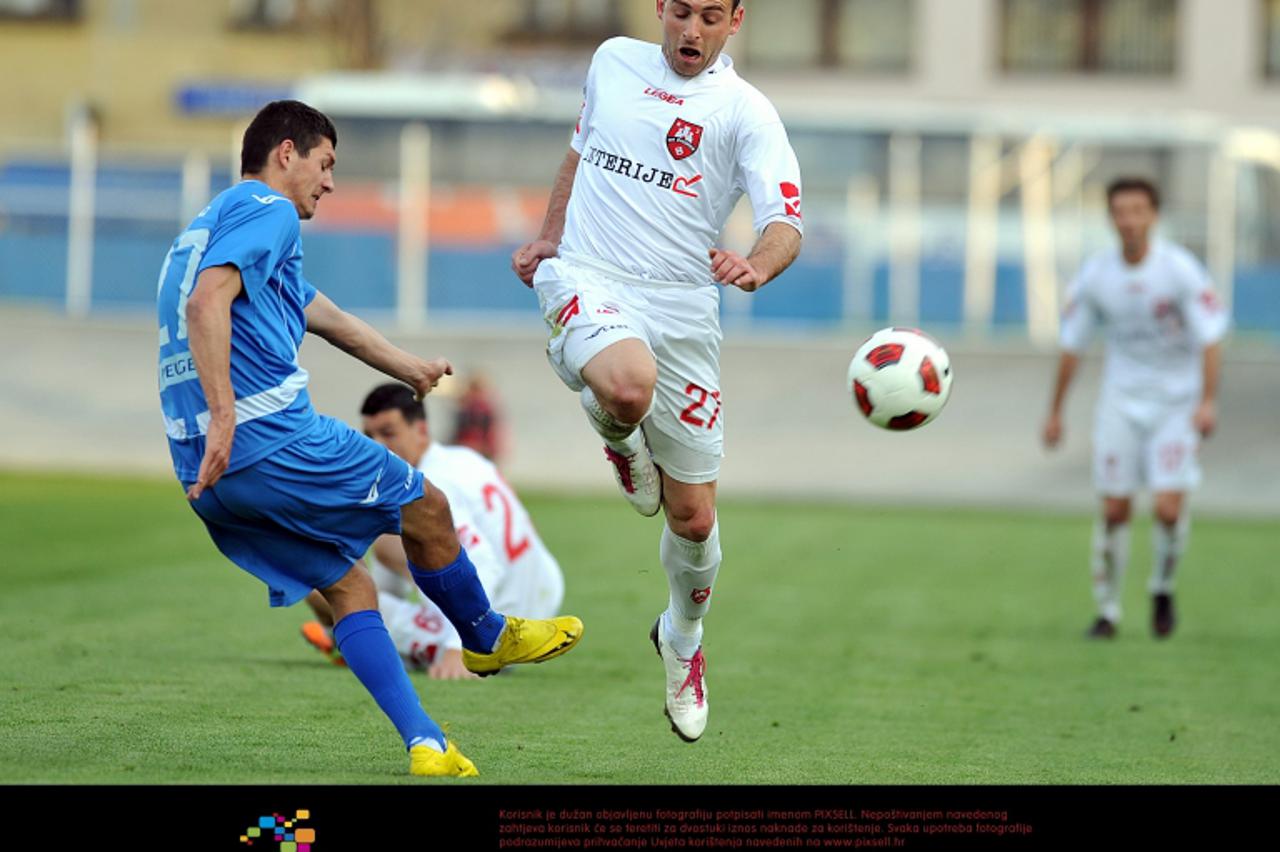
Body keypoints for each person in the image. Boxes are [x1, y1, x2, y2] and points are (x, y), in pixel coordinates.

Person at [156, 100, 582, 777]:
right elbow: (207, 303)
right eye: (326, 165)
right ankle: (485, 635)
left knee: (350, 589)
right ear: (286, 153)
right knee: (429, 505)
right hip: (268, 440)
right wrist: (226, 414)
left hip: (205, 476)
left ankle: (426, 743)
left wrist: (409, 368)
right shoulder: (265, 212)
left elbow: (328, 318)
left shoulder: (201, 231)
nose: (330, 182)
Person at [511, 0, 803, 742]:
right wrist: (550, 239)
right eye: (680, 13)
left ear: (736, 19)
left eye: (710, 16)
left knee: (694, 518)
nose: (691, 31)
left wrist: (756, 264)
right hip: (591, 275)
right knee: (626, 385)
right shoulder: (612, 59)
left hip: (684, 308)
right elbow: (581, 151)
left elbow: (785, 223)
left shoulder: (747, 113)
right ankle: (616, 422)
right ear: (660, 11)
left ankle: (682, 638)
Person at [1043, 177, 1227, 640]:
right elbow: (1073, 344)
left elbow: (1210, 337)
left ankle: (1162, 587)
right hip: (1120, 403)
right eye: (1120, 211)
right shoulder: (1096, 275)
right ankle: (1107, 612)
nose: (1128, 220)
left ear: (1153, 216)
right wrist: (1055, 411)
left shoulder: (1180, 270)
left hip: (1176, 405)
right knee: (1115, 509)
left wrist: (1207, 401)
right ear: (1110, 217)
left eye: (1137, 211)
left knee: (1167, 509)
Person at [300, 383, 565, 682]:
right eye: (370, 436)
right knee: (389, 538)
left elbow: (484, 562)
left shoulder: (433, 484)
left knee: (320, 586)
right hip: (543, 596)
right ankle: (370, 633)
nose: (377, 446)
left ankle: (352, 642)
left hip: (502, 624)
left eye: (388, 433)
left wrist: (459, 647)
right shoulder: (464, 458)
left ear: (421, 430)